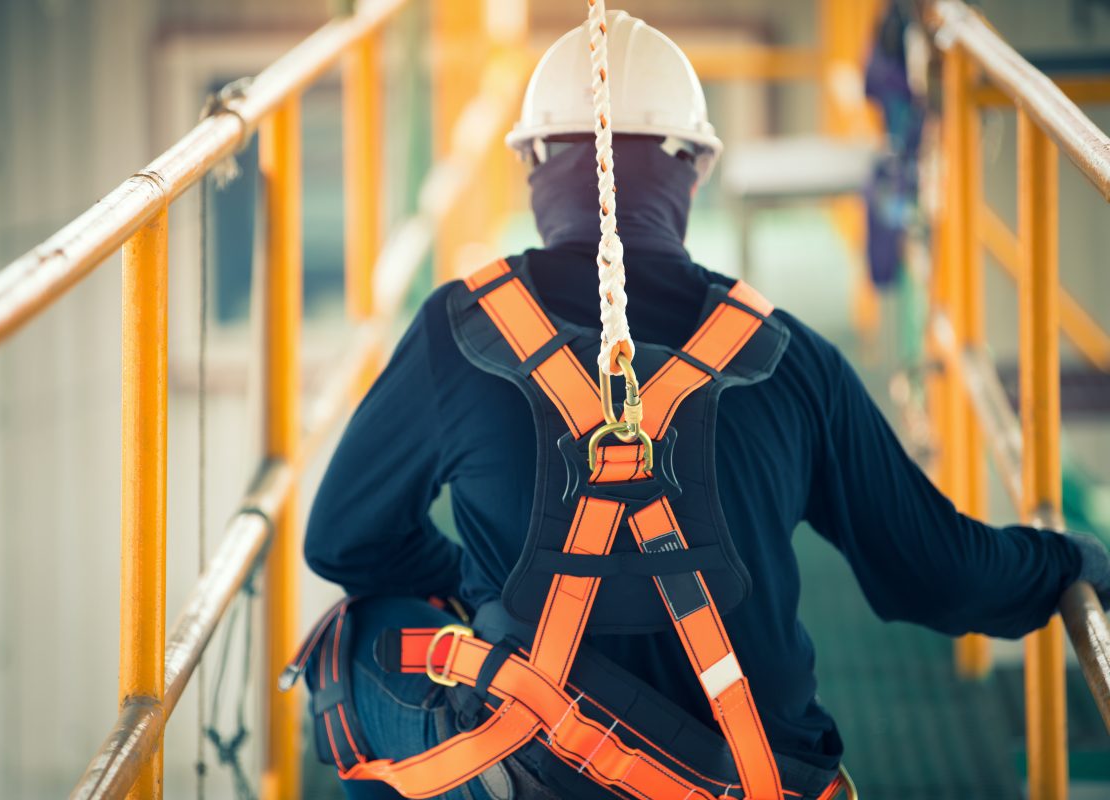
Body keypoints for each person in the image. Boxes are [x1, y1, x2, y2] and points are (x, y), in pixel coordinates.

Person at [300, 10, 1110, 800]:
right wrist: (1072, 564)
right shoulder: (790, 358)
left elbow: (345, 542)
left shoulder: (464, 329)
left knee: (355, 647)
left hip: (543, 762)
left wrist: (483, 590)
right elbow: (941, 576)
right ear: (693, 167)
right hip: (762, 780)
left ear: (533, 164)